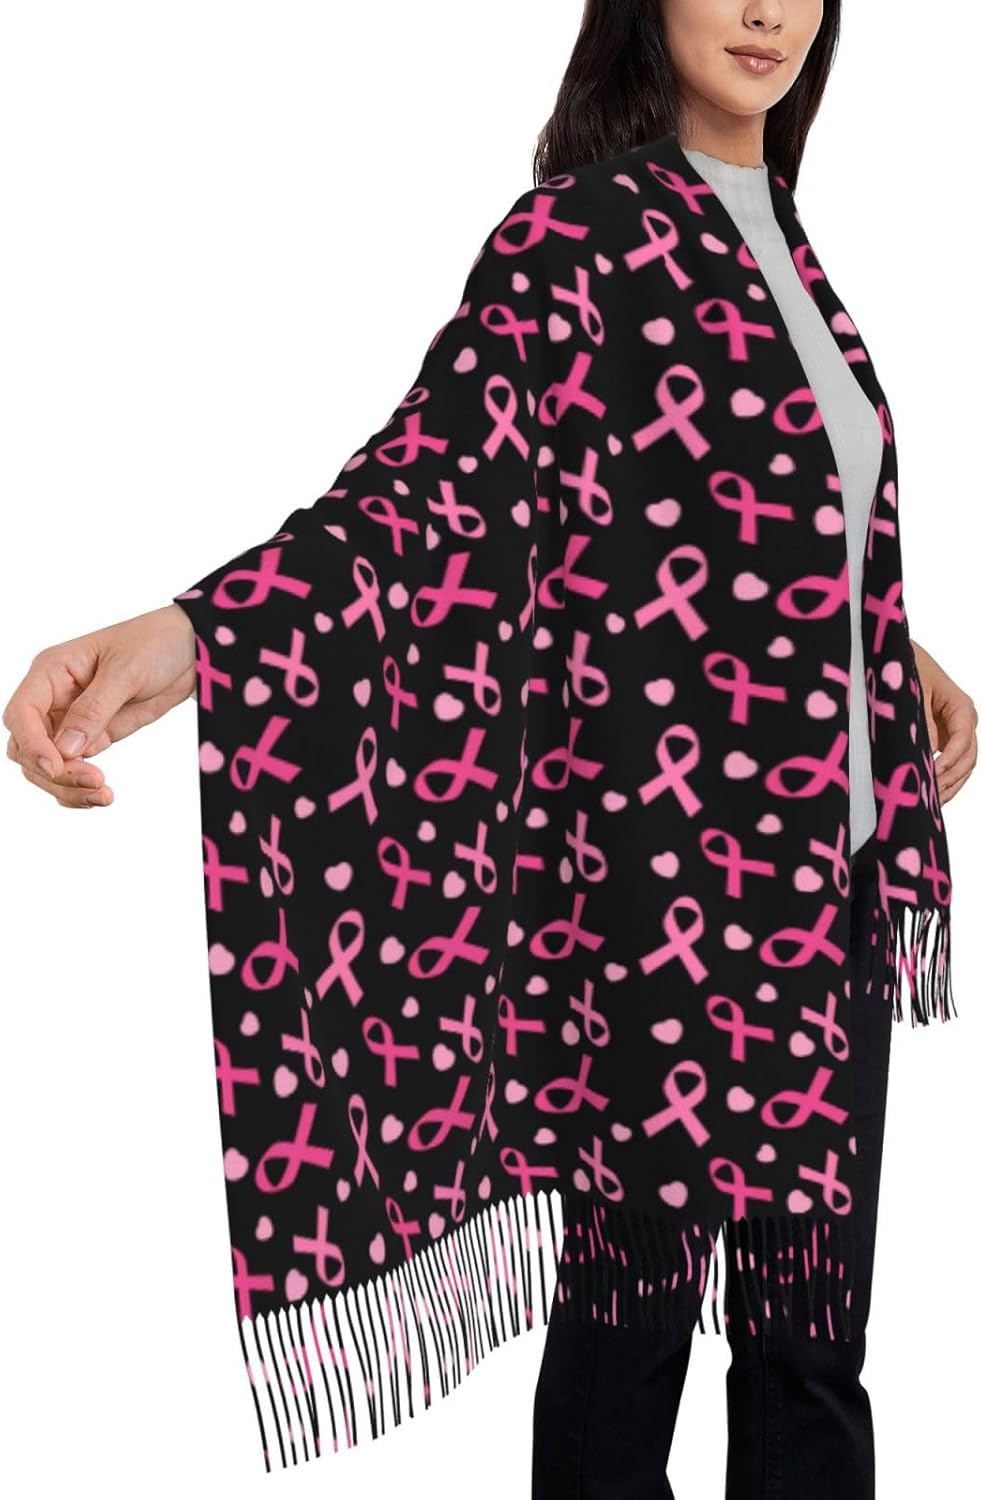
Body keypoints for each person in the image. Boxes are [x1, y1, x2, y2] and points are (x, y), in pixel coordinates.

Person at [4, 3, 976, 1496]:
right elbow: (425, 502)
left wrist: (884, 651)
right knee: (625, 1346)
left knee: (810, 1360)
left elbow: (753, 517)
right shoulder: (577, 241)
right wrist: (189, 638)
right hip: (665, 902)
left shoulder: (785, 238)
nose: (765, 8)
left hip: (827, 894)